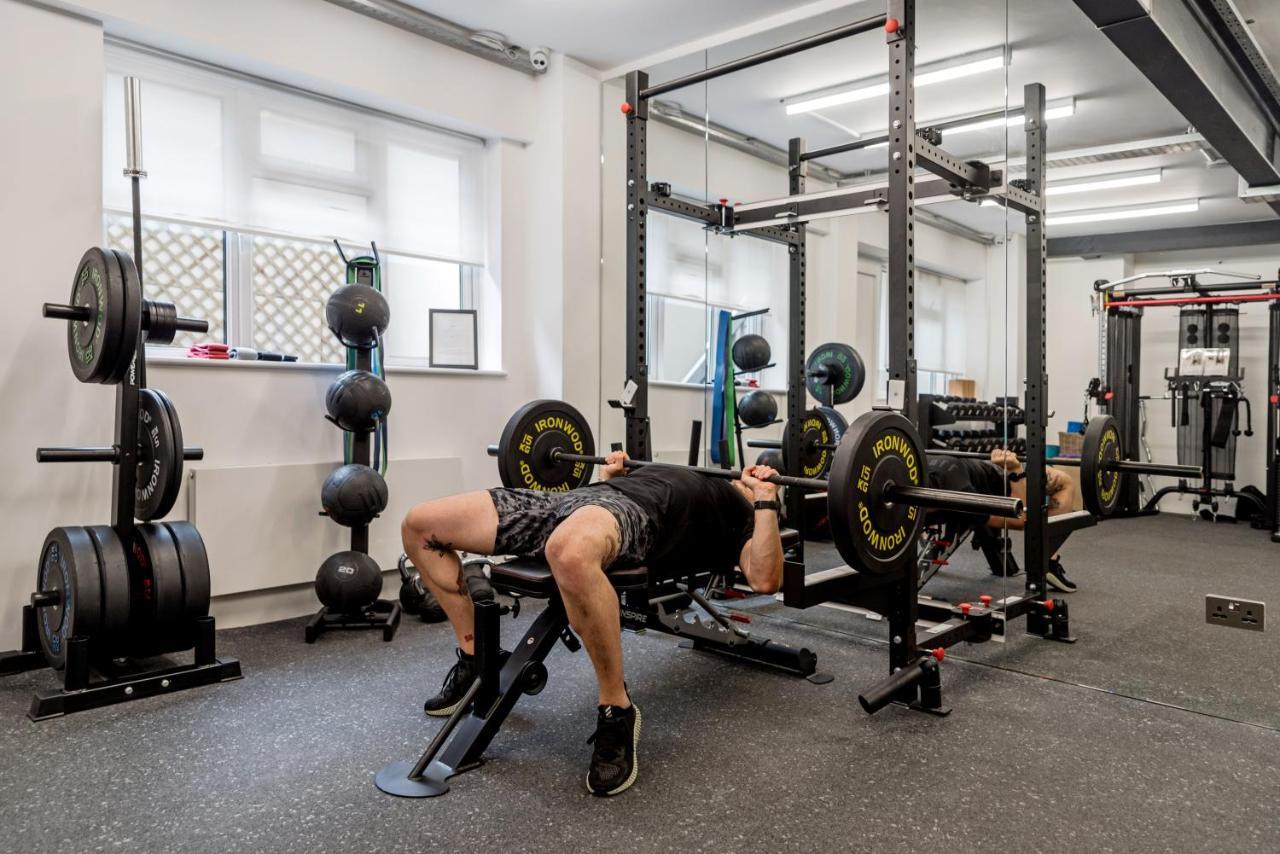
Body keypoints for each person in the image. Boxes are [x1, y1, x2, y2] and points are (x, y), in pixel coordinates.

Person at [400, 453, 786, 797]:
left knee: (567, 552)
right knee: (420, 525)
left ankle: (617, 709)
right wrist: (610, 476)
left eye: (754, 479)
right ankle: (478, 660)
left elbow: (765, 578)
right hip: (570, 502)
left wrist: (765, 498)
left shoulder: (743, 514)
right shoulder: (682, 471)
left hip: (633, 516)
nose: (744, 476)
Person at [925, 450, 1079, 593]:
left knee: (1063, 481)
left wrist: (1014, 470)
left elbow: (1019, 517)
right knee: (1066, 483)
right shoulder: (960, 496)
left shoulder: (961, 494)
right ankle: (1048, 561)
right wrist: (1015, 469)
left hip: (995, 474)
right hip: (963, 469)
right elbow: (1020, 519)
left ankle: (1047, 559)